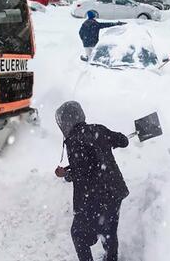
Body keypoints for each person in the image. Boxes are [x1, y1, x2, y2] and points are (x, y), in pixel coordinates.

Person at [55, 101, 129, 261]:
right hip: (115, 190)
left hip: (96, 196)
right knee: (108, 230)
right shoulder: (98, 129)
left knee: (78, 234)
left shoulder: (74, 141)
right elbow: (123, 141)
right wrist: (108, 143)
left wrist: (67, 174)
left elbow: (82, 173)